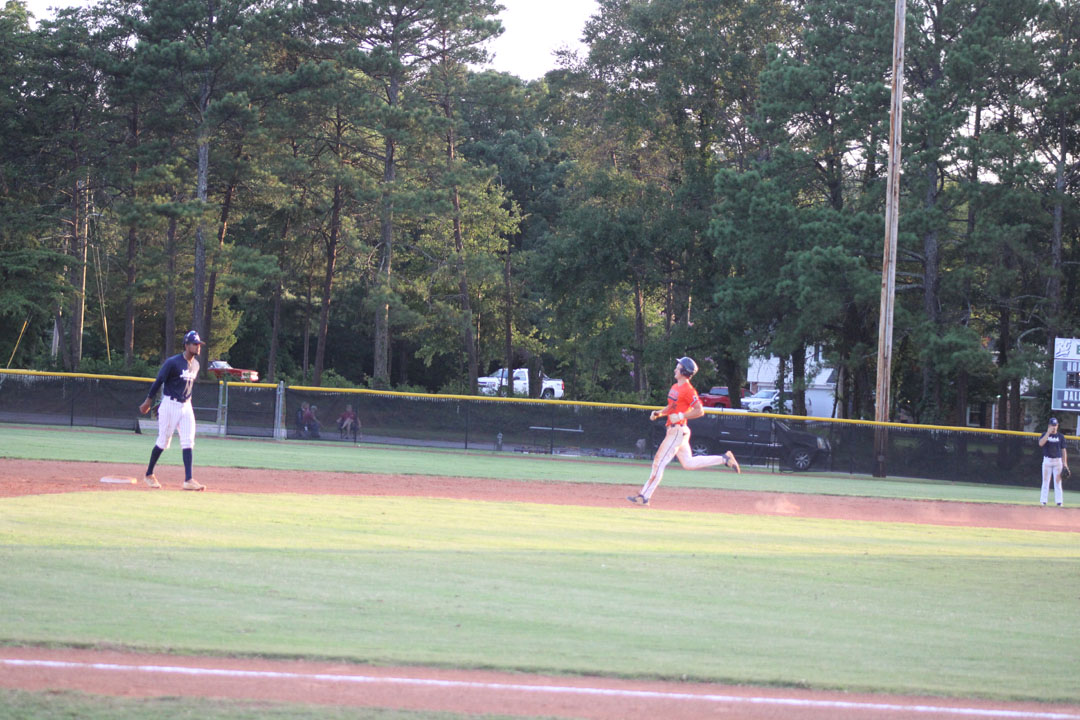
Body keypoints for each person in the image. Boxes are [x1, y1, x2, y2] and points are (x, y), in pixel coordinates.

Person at [628, 356, 740, 506]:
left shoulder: (689, 390)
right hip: (676, 431)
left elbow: (700, 411)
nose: (675, 368)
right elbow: (671, 407)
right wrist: (659, 413)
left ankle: (644, 496)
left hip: (678, 431)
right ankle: (724, 458)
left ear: (684, 371)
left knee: (658, 463)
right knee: (688, 463)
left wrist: (681, 415)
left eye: (678, 366)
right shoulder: (675, 387)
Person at [137, 330, 206, 491]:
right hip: (170, 405)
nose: (198, 347)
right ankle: (149, 474)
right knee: (163, 441)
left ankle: (188, 480)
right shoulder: (173, 362)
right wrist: (149, 400)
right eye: (195, 344)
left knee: (188, 440)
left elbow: (185, 387)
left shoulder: (196, 365)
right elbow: (159, 380)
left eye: (199, 344)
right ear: (186, 345)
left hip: (186, 405)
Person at [1038, 417, 1068, 506]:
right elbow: (1040, 444)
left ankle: (1059, 502)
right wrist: (1048, 433)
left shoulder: (1061, 436)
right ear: (1049, 426)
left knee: (1058, 482)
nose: (1054, 427)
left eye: (1055, 425)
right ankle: (1043, 501)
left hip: (1057, 461)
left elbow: (1063, 450)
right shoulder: (1044, 434)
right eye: (1052, 425)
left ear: (1057, 426)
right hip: (1047, 460)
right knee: (1045, 481)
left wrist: (1065, 463)